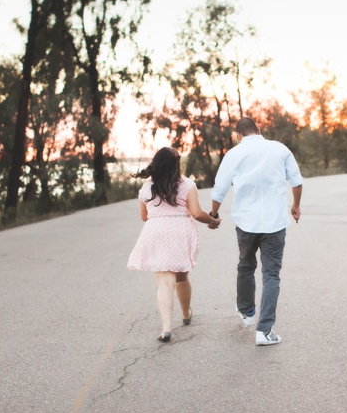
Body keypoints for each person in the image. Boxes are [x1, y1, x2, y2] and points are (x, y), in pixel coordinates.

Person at [209, 117, 303, 346]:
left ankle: (247, 312)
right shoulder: (279, 149)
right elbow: (297, 180)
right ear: (259, 130)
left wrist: (213, 215)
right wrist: (296, 205)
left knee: (246, 265)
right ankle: (265, 331)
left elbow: (219, 189)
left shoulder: (234, 154)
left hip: (246, 222)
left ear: (238, 135)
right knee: (271, 275)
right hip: (275, 222)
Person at [127, 147, 221, 343]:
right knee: (181, 277)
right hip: (179, 232)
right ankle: (186, 314)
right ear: (177, 164)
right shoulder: (187, 184)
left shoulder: (147, 187)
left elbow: (144, 216)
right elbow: (196, 213)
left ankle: (166, 329)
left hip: (156, 231)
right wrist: (212, 221)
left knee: (164, 283)